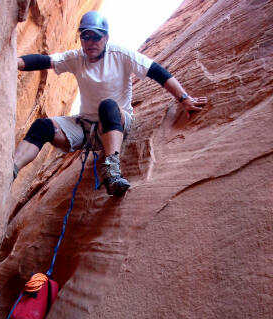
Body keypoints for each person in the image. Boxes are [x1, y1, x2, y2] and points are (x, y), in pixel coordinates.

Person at [14, 11, 207, 196]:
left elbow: (157, 72)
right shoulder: (76, 58)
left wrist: (184, 99)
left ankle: (112, 172)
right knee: (42, 126)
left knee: (107, 105)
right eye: (85, 37)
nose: (90, 42)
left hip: (116, 122)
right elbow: (45, 61)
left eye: (96, 37)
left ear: (105, 38)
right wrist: (14, 62)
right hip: (85, 127)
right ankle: (10, 170)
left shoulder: (120, 55)